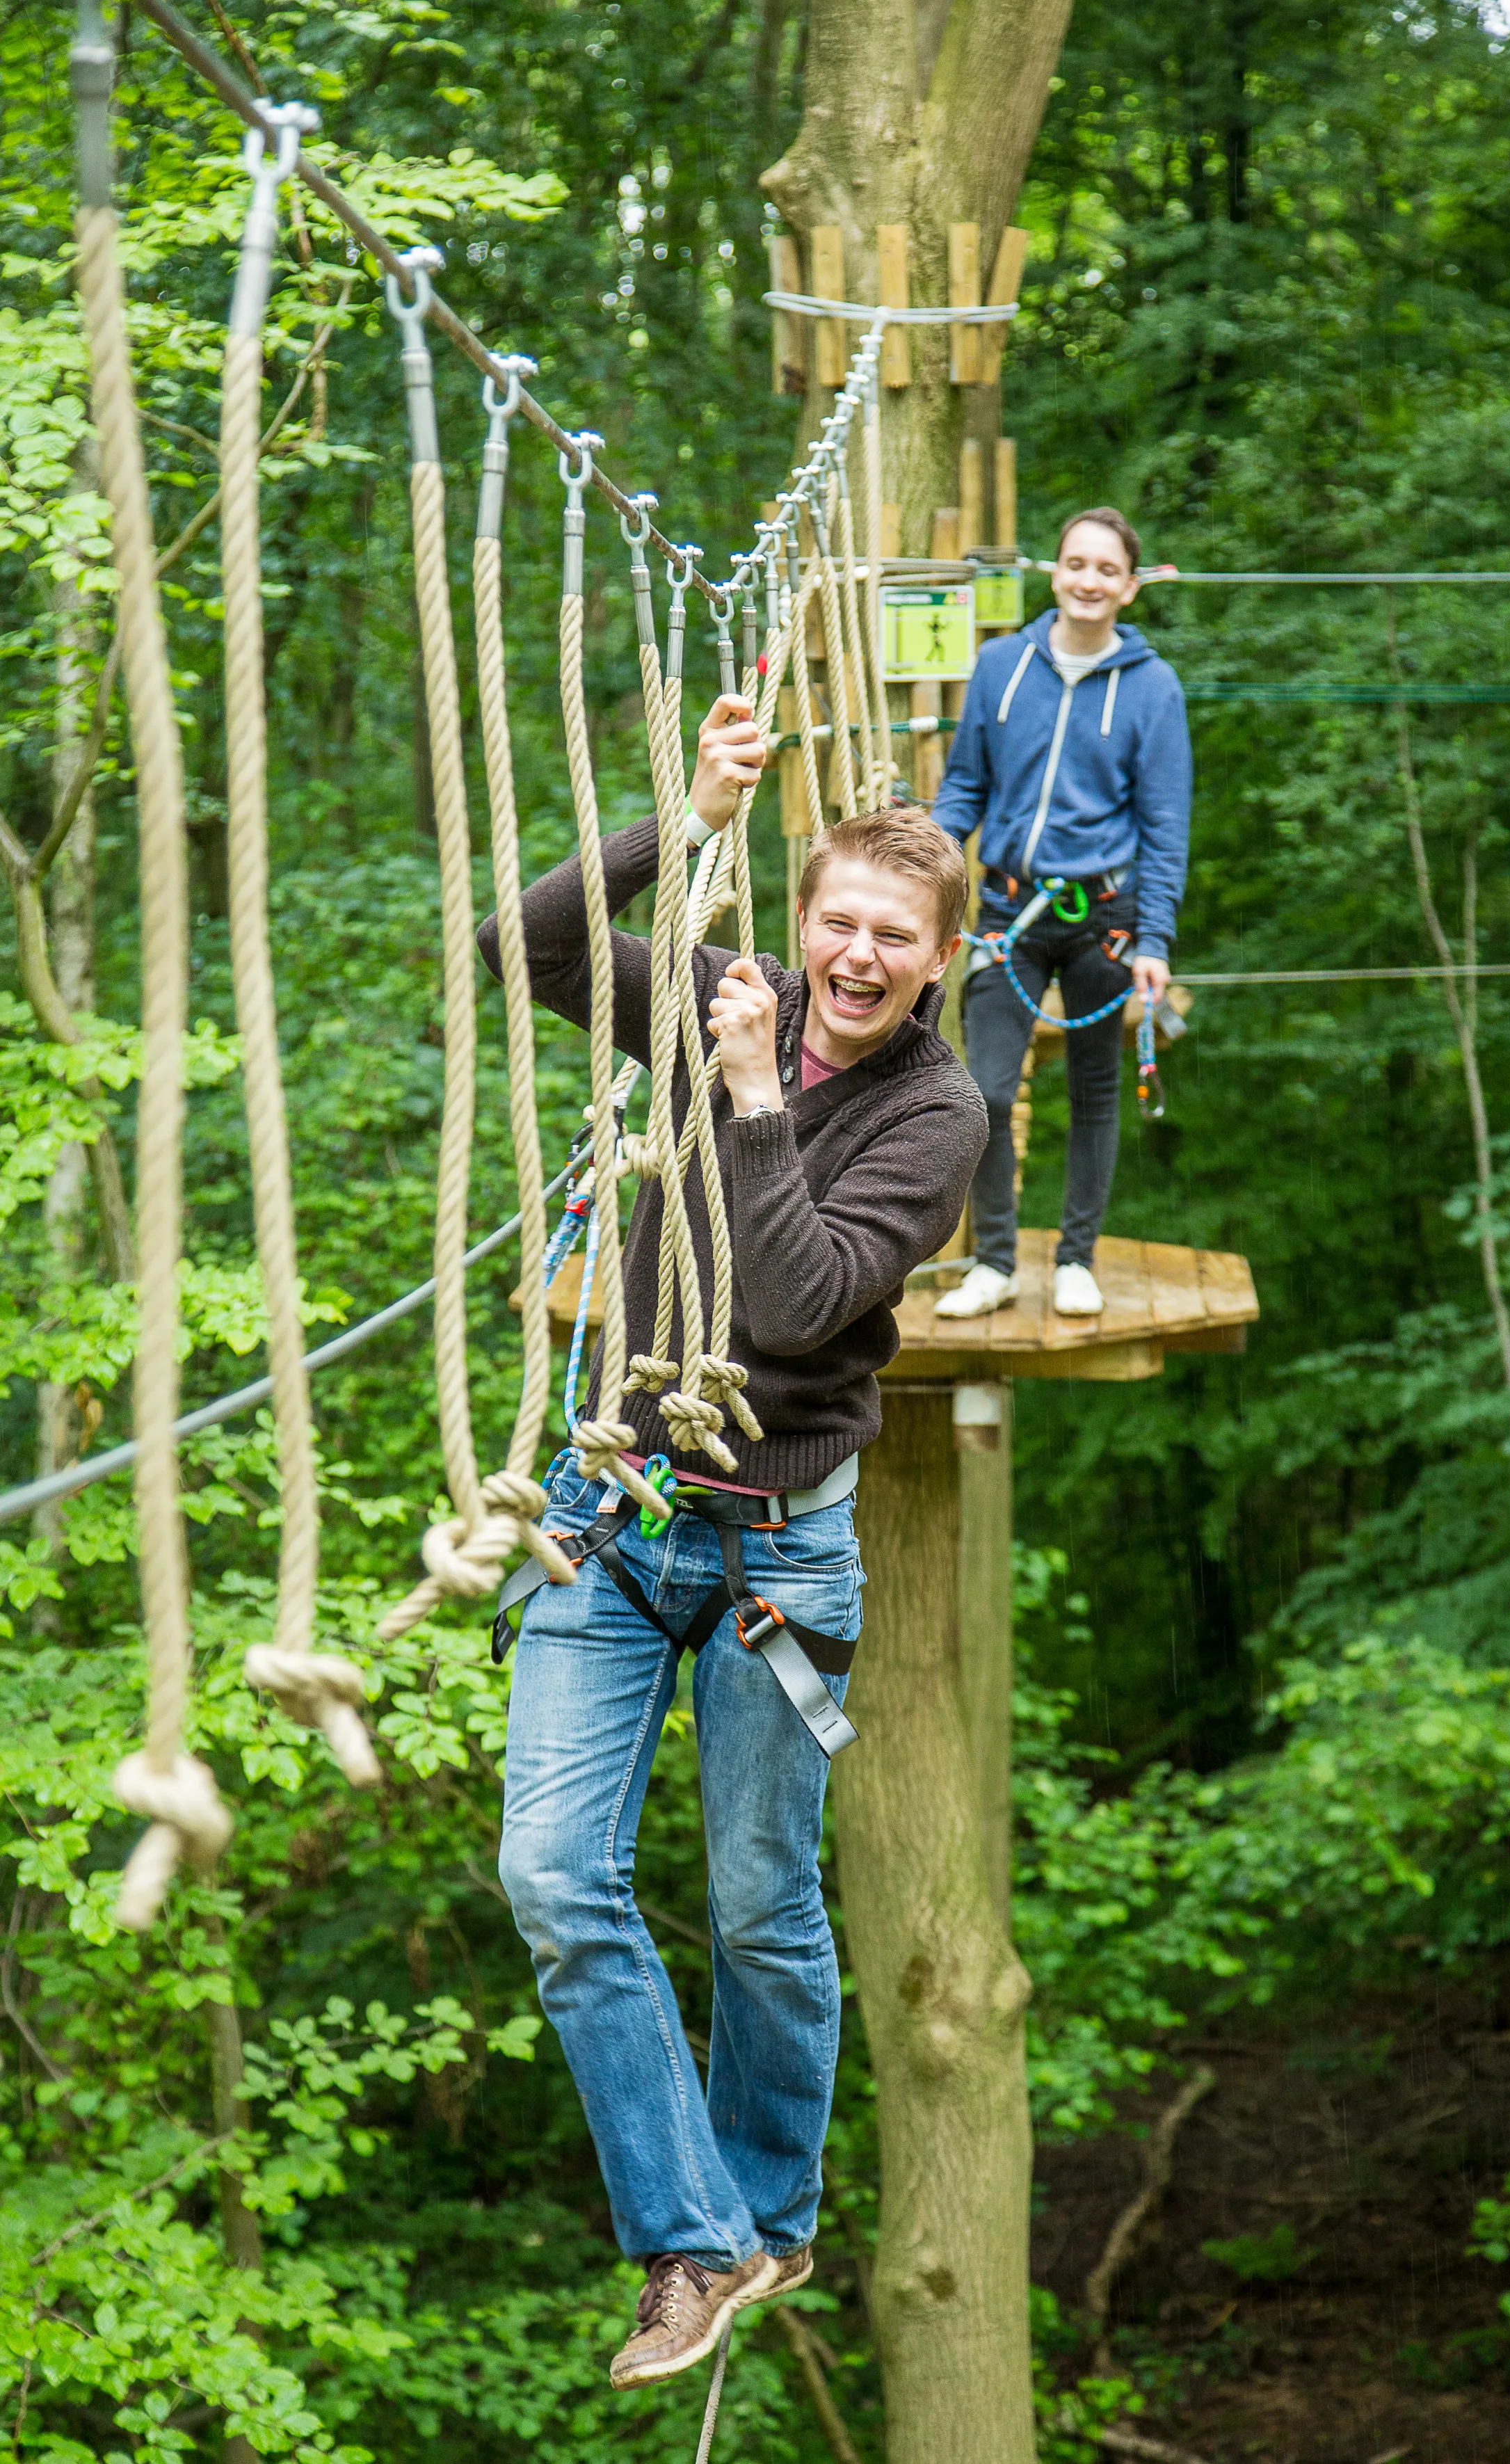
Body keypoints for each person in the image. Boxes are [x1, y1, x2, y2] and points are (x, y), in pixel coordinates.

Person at [478, 702, 983, 2392]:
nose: (854, 955)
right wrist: (684, 822)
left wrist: (756, 1097)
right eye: (835, 919)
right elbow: (527, 945)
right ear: (803, 916)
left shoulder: (936, 1118)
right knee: (553, 1877)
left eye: (890, 939)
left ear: (932, 963)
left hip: (779, 1552)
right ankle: (694, 2243)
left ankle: (770, 2212)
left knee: (763, 1907)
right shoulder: (722, 991)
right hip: (612, 1519)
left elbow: (793, 1299)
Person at [930, 507, 1191, 1320]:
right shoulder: (1001, 665)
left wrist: (1153, 937)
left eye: (1106, 570)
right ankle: (997, 1263)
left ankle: (1076, 1257)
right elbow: (965, 787)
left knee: (1092, 1089)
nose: (1088, 581)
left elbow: (1164, 824)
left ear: (1129, 588)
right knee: (985, 1092)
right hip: (1009, 908)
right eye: (1076, 564)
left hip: (1102, 914)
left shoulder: (1152, 688)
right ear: (1055, 572)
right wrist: (924, 880)